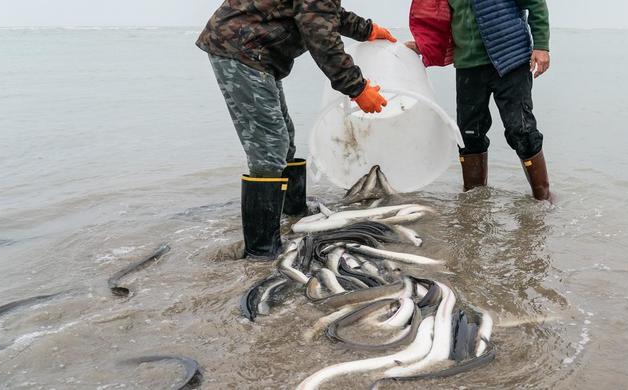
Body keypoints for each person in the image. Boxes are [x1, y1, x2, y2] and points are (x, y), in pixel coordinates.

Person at [196, 1, 396, 260]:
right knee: (269, 145)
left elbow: (325, 13)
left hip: (256, 52)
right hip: (240, 49)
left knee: (284, 137)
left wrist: (366, 30)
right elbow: (320, 35)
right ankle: (261, 250)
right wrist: (357, 87)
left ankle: (293, 213)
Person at [407, 0, 553, 201]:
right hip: (469, 65)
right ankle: (473, 206)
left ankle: (543, 202)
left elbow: (535, 4)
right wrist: (424, 45)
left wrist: (542, 46)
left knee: (521, 131)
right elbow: (439, 19)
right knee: (469, 135)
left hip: (511, 59)